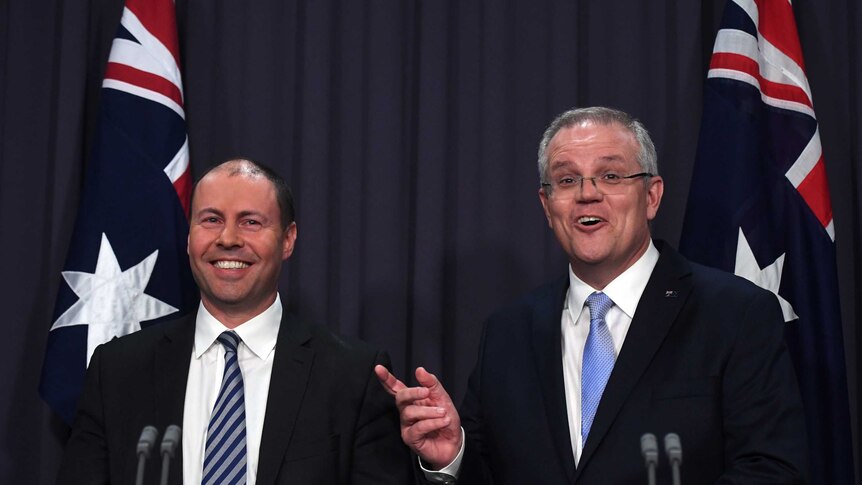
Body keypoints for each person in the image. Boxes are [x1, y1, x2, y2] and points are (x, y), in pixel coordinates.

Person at [376, 107, 808, 483]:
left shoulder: (735, 313)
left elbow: (771, 468)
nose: (587, 194)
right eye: (566, 180)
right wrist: (454, 456)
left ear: (652, 196)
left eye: (611, 175)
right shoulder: (508, 332)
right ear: (547, 206)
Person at [59, 159, 411, 484]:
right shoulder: (117, 371)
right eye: (211, 220)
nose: (227, 239)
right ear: (189, 235)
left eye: (251, 222)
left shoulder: (353, 375)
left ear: (288, 239)